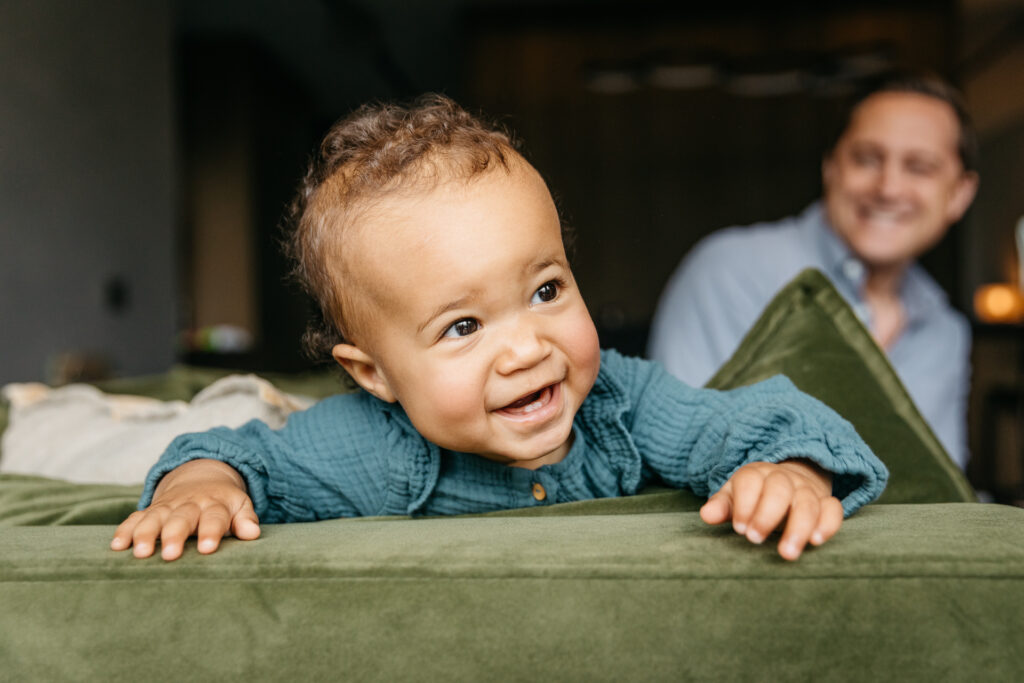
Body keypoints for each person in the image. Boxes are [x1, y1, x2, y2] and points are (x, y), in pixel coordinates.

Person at [110, 94, 887, 564]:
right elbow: (241, 455)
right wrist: (201, 487)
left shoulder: (621, 401)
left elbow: (755, 421)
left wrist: (790, 469)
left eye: (546, 288)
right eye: (462, 327)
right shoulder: (371, 446)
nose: (527, 347)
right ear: (374, 373)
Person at [648, 72, 979, 469]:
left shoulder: (945, 333)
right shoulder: (731, 270)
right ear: (831, 168)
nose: (889, 188)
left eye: (919, 167)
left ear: (959, 195)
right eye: (866, 159)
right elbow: (678, 450)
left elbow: (945, 494)